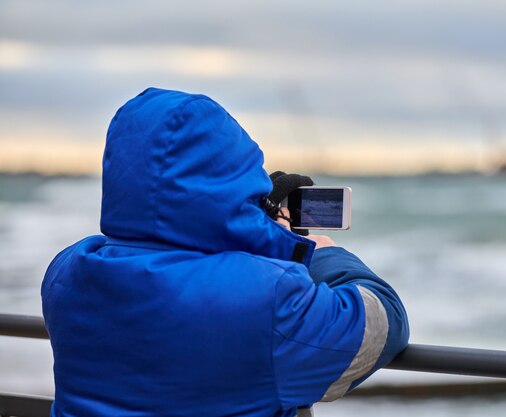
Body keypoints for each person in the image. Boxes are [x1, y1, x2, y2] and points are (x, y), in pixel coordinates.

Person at [41, 88, 410, 417]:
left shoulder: (67, 273)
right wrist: (316, 252)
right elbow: (383, 323)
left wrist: (255, 230)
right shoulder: (269, 298)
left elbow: (175, 255)